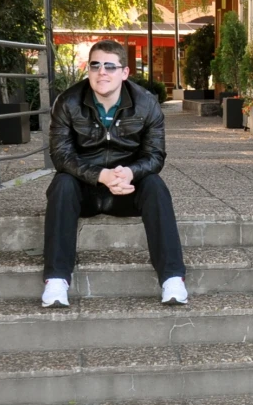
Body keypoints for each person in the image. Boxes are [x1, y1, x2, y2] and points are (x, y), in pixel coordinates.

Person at [42, 39, 187, 308]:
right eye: (95, 65)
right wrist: (100, 175)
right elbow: (61, 156)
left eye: (110, 66)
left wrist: (130, 172)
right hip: (83, 189)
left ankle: (172, 278)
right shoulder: (68, 102)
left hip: (126, 190)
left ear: (125, 72)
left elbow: (155, 156)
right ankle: (56, 280)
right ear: (88, 69)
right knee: (61, 183)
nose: (102, 72)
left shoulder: (146, 104)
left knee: (155, 185)